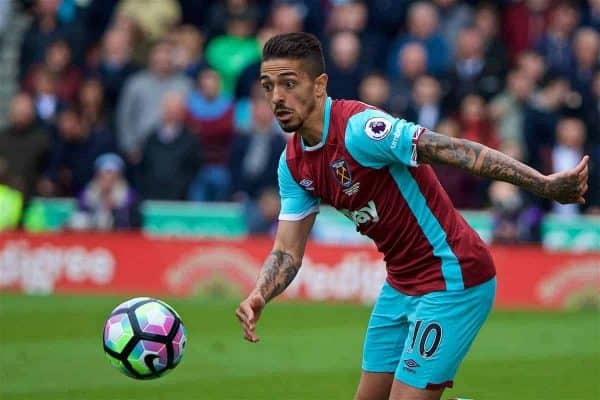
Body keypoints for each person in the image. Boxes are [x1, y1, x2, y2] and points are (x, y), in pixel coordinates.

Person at [235, 33, 589, 400]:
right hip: (401, 284)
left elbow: (456, 150)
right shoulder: (292, 165)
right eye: (268, 86)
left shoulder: (360, 130)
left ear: (320, 85)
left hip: (453, 275)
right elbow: (287, 252)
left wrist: (543, 184)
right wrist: (260, 293)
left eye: (288, 83)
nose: (276, 97)